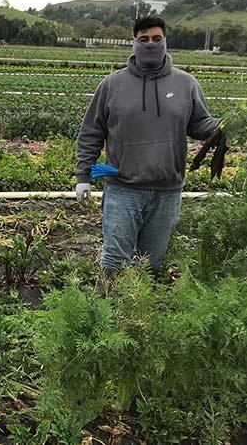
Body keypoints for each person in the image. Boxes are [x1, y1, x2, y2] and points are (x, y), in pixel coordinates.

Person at [74, 17, 224, 294]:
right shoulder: (112, 85)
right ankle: (102, 316)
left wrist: (221, 126)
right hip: (123, 189)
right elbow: (91, 133)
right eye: (144, 39)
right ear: (134, 42)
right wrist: (84, 175)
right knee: (114, 262)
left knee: (150, 264)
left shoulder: (186, 84)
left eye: (157, 39)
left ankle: (139, 320)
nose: (150, 44)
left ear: (165, 41)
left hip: (167, 191)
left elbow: (199, 124)